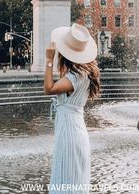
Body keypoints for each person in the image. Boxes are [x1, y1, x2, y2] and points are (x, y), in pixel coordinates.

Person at [44, 23, 100, 194]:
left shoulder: (74, 77)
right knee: (73, 177)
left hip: (69, 132)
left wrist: (48, 60)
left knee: (66, 176)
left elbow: (49, 89)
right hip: (75, 129)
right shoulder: (83, 74)